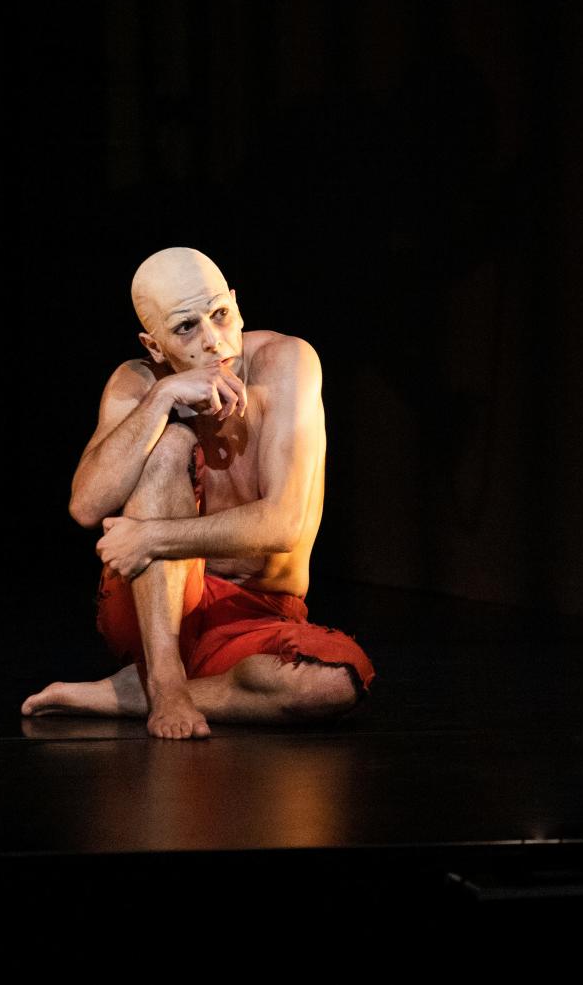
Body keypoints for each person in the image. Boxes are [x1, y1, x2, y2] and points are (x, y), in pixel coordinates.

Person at [22, 246, 375, 738]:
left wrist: (152, 538)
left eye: (220, 315)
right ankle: (164, 684)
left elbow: (283, 524)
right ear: (154, 344)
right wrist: (161, 398)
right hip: (155, 610)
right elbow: (86, 506)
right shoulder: (138, 379)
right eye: (185, 327)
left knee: (334, 684)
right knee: (166, 443)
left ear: (237, 304)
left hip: (257, 613)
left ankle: (123, 696)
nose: (213, 342)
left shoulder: (286, 362)